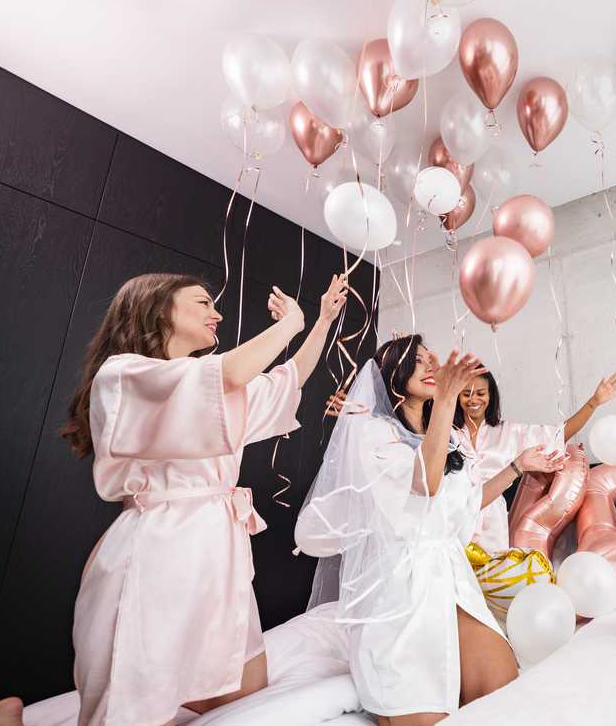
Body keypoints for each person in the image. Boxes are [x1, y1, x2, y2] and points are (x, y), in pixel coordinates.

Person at [62, 272, 347, 725]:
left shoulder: (213, 391)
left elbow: (283, 381)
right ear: (159, 310)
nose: (216, 313)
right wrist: (289, 322)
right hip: (160, 553)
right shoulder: (123, 375)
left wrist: (321, 322)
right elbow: (230, 372)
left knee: (245, 691)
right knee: (130, 704)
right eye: (202, 303)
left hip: (220, 554)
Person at [296, 335, 565, 725]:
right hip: (400, 593)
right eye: (415, 360)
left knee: (504, 693)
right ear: (392, 376)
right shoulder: (373, 434)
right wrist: (445, 402)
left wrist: (517, 467)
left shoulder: (450, 437)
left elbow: (465, 504)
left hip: (452, 580)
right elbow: (426, 484)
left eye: (429, 359)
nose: (428, 366)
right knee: (422, 713)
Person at [455, 369, 616, 549]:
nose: (473, 400)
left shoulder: (509, 432)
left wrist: (594, 402)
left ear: (491, 396)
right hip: (454, 516)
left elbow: (558, 435)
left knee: (492, 574)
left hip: (491, 524)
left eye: (481, 393)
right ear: (457, 396)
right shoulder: (449, 434)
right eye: (466, 394)